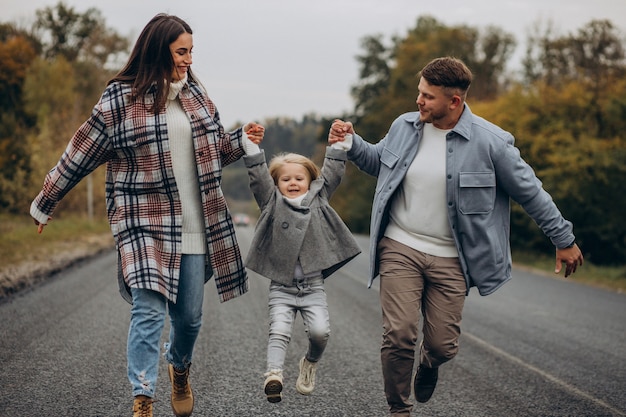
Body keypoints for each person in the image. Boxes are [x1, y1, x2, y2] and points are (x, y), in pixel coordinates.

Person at [29, 13, 265, 417]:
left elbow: (216, 155)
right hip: (142, 223)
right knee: (148, 309)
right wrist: (45, 200)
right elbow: (78, 155)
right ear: (159, 51)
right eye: (181, 51)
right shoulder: (119, 102)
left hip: (194, 224)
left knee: (189, 319)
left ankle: (179, 368)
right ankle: (143, 397)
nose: (189, 59)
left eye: (191, 51)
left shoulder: (198, 98)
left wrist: (239, 141)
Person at [328, 56, 584, 416]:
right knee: (399, 333)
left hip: (453, 259)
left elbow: (531, 192)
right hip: (401, 244)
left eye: (428, 97)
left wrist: (563, 239)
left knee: (442, 346)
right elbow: (377, 162)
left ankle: (429, 365)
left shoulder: (492, 143)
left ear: (454, 102)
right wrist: (353, 143)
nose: (419, 101)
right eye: (419, 92)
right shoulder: (404, 126)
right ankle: (399, 408)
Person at [241, 130, 361, 403]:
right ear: (277, 183)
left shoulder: (319, 197)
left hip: (312, 286)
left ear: (310, 181)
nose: (293, 182)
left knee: (320, 333)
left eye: (299, 178)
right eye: (285, 179)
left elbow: (332, 173)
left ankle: (309, 362)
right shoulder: (271, 202)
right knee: (279, 330)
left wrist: (338, 147)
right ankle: (273, 375)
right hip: (281, 287)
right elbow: (259, 178)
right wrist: (252, 150)